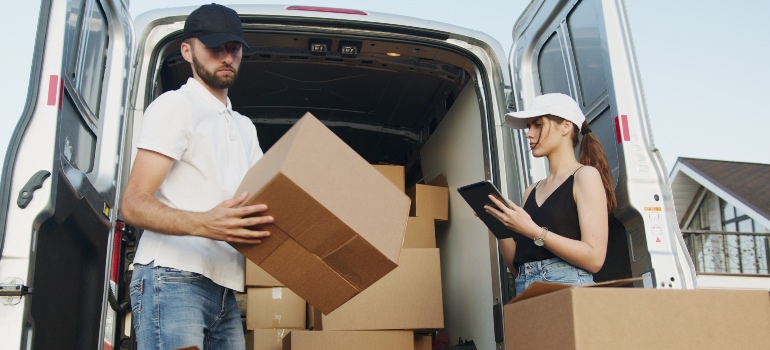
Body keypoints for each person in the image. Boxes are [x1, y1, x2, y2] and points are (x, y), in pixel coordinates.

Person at [120, 4, 271, 349]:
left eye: (233, 48)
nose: (226, 57)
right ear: (187, 50)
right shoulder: (176, 106)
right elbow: (132, 204)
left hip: (224, 289)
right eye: (214, 47)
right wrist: (205, 223)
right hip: (172, 278)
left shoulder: (244, 127)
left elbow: (263, 201)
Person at [484, 93, 616, 296]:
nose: (529, 134)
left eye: (537, 125)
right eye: (529, 127)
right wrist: (499, 226)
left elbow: (595, 258)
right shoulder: (531, 190)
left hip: (569, 287)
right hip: (526, 289)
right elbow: (517, 268)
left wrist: (534, 231)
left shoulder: (585, 176)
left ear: (565, 126)